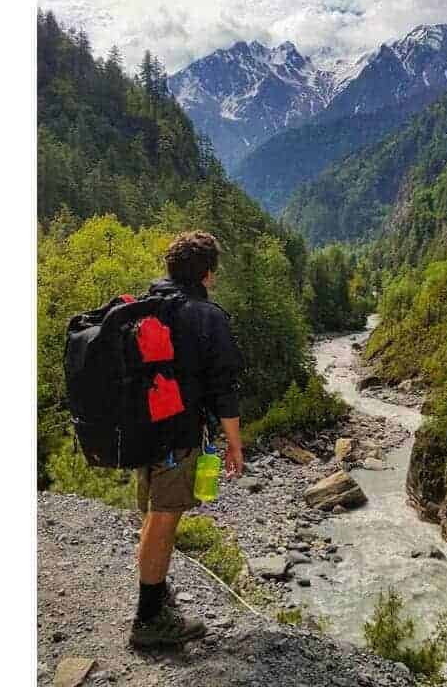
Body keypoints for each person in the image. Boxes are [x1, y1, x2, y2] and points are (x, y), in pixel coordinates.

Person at [130, 231, 244, 648]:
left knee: (155, 515)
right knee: (165, 518)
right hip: (176, 437)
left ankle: (156, 598)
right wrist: (234, 443)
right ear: (208, 274)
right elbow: (224, 389)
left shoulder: (148, 306)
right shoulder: (205, 315)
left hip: (142, 431)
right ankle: (148, 622)